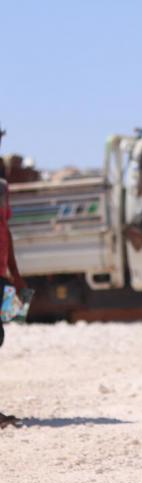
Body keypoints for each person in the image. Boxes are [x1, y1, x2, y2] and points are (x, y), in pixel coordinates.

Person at [0, 128, 27, 349]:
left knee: (10, 318)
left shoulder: (2, 187)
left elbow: (5, 230)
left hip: (1, 273)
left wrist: (15, 274)